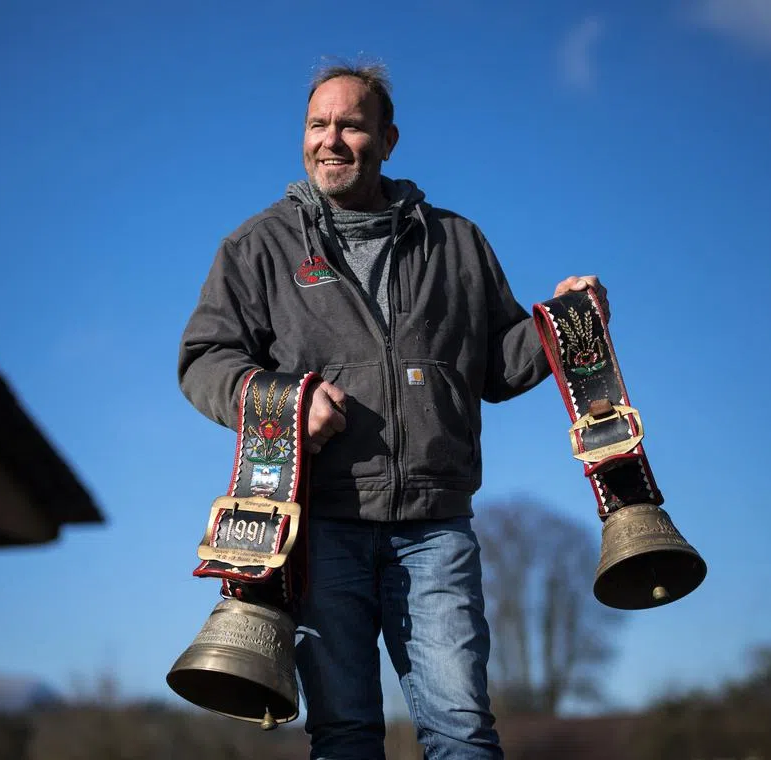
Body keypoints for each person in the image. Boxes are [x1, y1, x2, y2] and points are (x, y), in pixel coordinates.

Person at [177, 62, 608, 760]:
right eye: (318, 124)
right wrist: (283, 402)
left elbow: (496, 365)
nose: (332, 140)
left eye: (351, 124)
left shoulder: (456, 241)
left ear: (388, 138)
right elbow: (205, 360)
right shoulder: (258, 247)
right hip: (318, 529)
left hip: (435, 530)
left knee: (462, 730)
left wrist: (566, 325)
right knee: (344, 733)